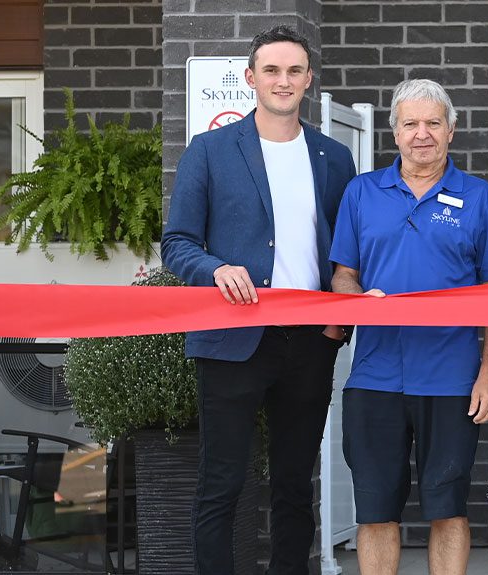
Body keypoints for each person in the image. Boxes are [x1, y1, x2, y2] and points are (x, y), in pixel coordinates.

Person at [161, 24, 356, 575]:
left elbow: (347, 249)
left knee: (296, 483)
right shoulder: (209, 150)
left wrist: (341, 321)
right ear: (251, 78)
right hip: (230, 338)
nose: (283, 80)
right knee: (222, 481)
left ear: (309, 80)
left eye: (294, 70)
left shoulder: (333, 157)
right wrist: (215, 268)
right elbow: (176, 242)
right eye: (271, 70)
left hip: (310, 343)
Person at [328, 78, 488, 575]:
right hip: (374, 377)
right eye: (411, 123)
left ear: (452, 130)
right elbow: (343, 276)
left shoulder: (480, 200)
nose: (421, 134)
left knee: (448, 509)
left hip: (452, 380)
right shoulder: (361, 193)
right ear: (395, 133)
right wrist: (358, 301)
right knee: (375, 511)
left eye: (433, 123)